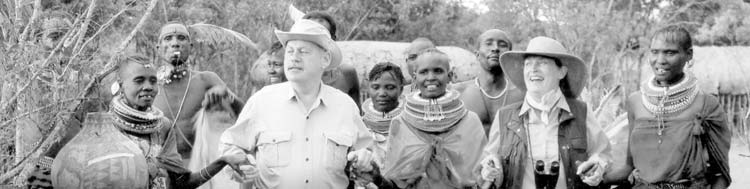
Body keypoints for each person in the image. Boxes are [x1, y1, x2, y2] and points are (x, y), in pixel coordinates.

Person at [219, 19, 374, 189]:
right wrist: (240, 160)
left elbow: (368, 154)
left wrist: (364, 159)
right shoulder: (262, 101)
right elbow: (230, 144)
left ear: (325, 59)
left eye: (303, 51)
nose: (294, 58)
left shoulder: (344, 106)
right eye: (290, 51)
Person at [605, 26, 731, 188]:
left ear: (689, 55)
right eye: (654, 52)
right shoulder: (635, 102)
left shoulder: (706, 105)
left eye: (670, 53)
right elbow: (629, 167)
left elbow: (721, 175)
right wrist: (597, 180)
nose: (660, 60)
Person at [480, 36, 611, 188]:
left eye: (542, 62)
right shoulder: (505, 116)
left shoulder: (582, 112)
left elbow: (602, 154)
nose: (533, 69)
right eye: (528, 63)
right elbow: (489, 160)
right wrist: (489, 168)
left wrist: (597, 166)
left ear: (561, 72)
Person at [381, 49, 487, 188]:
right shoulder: (400, 123)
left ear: (450, 76)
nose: (430, 77)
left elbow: (481, 176)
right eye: (424, 72)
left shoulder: (469, 120)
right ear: (414, 78)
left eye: (438, 71)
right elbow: (394, 180)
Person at [152, 22, 245, 164]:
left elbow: (245, 115)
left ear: (190, 47)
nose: (175, 43)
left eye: (181, 38)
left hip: (197, 166)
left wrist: (226, 95)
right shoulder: (149, 83)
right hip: (158, 167)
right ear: (158, 48)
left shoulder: (206, 79)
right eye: (168, 38)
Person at [454, 29, 524, 135]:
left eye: (502, 45)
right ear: (477, 54)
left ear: (509, 56)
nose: (495, 48)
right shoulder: (458, 93)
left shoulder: (522, 94)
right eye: (488, 44)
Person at [350, 62, 406, 188]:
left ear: (401, 89)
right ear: (368, 87)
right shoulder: (358, 125)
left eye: (390, 87)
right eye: (375, 87)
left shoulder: (409, 128)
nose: (382, 93)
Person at [304, 11, 362, 108]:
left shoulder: (346, 74)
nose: (315, 42)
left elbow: (356, 114)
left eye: (321, 36)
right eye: (309, 36)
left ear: (333, 39)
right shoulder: (293, 75)